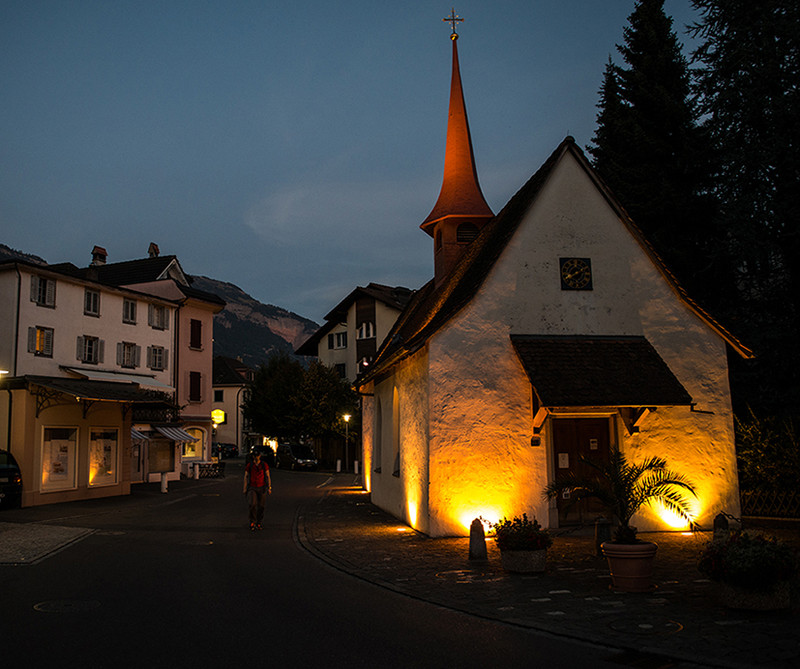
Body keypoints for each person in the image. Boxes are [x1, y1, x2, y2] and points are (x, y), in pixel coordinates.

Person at [243, 449, 271, 530]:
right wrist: (245, 488)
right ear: (253, 457)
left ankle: (259, 522)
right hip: (252, 487)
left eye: (257, 456)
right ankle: (252, 521)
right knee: (253, 504)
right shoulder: (250, 465)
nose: (256, 457)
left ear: (260, 456)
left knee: (261, 506)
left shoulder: (264, 465)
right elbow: (246, 476)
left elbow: (268, 476)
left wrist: (269, 487)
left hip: (262, 487)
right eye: (255, 456)